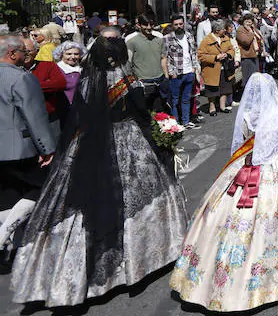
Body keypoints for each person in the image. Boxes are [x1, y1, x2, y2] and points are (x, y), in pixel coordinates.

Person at [11, 36, 188, 307]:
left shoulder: (85, 83)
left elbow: (77, 116)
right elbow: (141, 115)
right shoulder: (129, 83)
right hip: (129, 141)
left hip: (87, 144)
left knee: (79, 203)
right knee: (134, 201)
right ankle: (140, 261)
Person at [170, 73, 278, 310]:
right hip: (277, 170)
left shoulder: (246, 116)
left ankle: (220, 276)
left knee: (227, 217)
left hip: (246, 168)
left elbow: (243, 142)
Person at [0, 35, 57, 251]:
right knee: (39, 188)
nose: (26, 55)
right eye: (23, 51)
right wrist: (47, 148)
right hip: (19, 149)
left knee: (7, 194)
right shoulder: (22, 78)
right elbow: (34, 116)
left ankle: (9, 246)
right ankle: (4, 235)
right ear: (12, 54)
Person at [163, 15, 201, 128]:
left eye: (181, 24)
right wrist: (171, 72)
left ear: (184, 24)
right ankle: (176, 123)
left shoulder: (189, 35)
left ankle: (186, 121)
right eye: (176, 24)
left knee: (186, 98)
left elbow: (193, 52)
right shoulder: (167, 38)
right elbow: (165, 56)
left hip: (189, 71)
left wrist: (194, 67)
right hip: (176, 73)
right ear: (172, 25)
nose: (179, 26)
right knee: (174, 100)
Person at [22, 37, 67, 128]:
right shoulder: (12, 69)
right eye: (23, 51)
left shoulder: (48, 65)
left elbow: (60, 83)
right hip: (21, 119)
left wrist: (27, 85)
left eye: (29, 51)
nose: (26, 54)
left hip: (48, 116)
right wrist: (45, 84)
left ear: (36, 51)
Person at [198, 20, 235, 121]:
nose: (225, 30)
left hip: (225, 68)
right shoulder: (206, 40)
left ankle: (222, 106)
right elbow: (201, 55)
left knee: (225, 87)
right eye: (223, 29)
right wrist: (215, 57)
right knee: (212, 89)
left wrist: (227, 54)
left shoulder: (225, 38)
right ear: (217, 30)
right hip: (212, 69)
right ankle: (212, 107)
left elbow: (231, 49)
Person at [236, 14, 266, 85]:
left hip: (255, 55)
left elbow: (260, 39)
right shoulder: (240, 29)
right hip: (246, 56)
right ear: (243, 22)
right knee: (247, 79)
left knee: (255, 78)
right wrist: (250, 32)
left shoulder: (253, 29)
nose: (248, 24)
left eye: (250, 22)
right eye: (247, 22)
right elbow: (245, 42)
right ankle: (245, 94)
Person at [52, 41, 84, 106]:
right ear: (61, 54)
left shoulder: (82, 69)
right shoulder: (56, 69)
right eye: (68, 54)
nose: (73, 57)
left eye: (76, 54)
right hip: (63, 107)